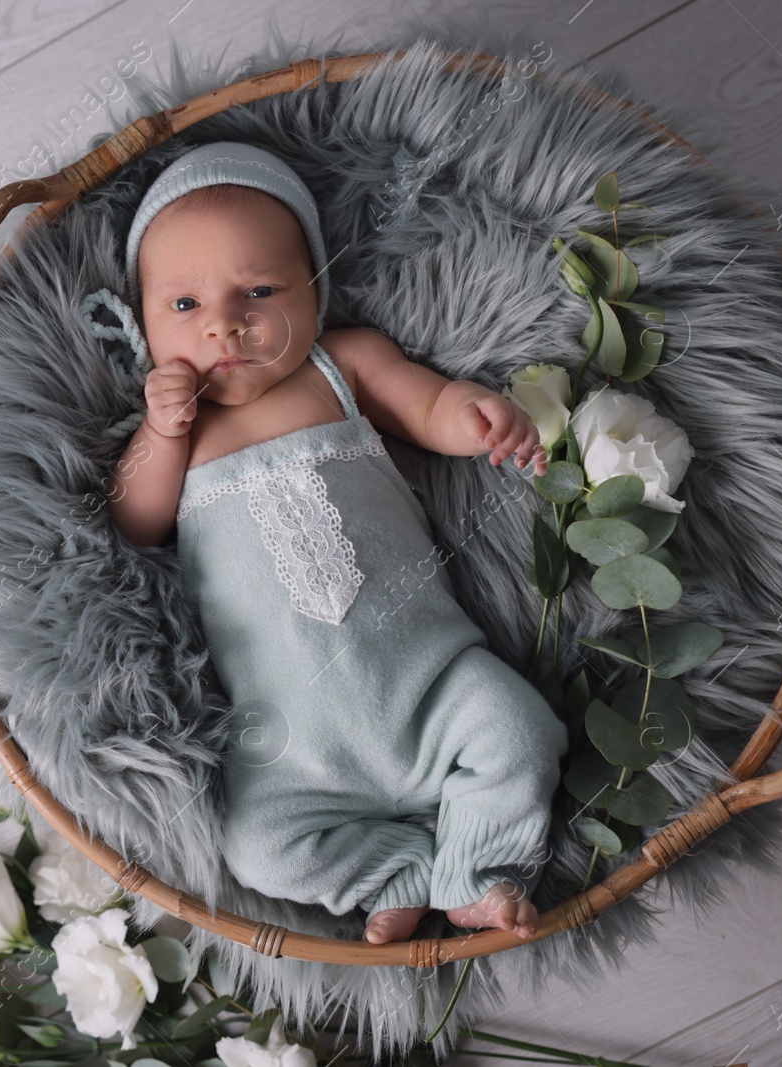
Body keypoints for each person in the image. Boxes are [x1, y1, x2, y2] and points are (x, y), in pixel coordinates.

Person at [90, 140, 568, 944]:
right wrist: (160, 431)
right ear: (142, 322)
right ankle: (396, 872)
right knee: (258, 849)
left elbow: (426, 406)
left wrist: (474, 415)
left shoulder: (340, 365)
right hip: (290, 749)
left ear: (313, 289)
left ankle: (478, 873)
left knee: (519, 730)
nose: (225, 325)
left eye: (260, 290)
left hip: (431, 682)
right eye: (184, 306)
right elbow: (134, 519)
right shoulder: (180, 432)